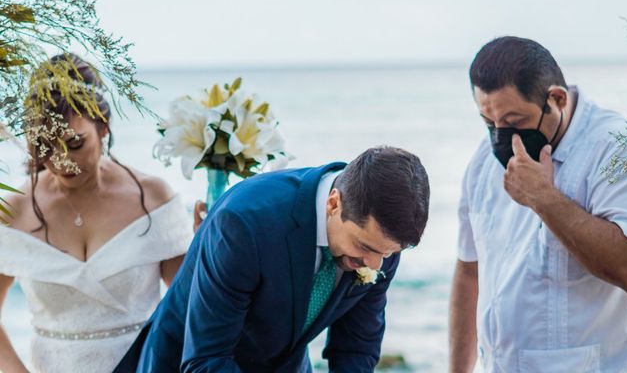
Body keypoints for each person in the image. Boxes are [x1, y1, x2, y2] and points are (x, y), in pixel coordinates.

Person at [115, 146, 430, 372]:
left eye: (388, 254)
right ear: (334, 203)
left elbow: (356, 349)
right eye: (366, 248)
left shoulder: (380, 242)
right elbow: (207, 359)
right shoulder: (244, 223)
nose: (376, 265)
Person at [449, 36, 627, 372]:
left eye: (514, 122)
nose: (500, 136)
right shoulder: (483, 159)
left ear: (557, 99)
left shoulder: (617, 149)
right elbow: (469, 270)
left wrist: (543, 197)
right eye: (488, 122)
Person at [0, 54, 193, 373]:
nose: (62, 161)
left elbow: (192, 308)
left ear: (103, 128)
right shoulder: (15, 211)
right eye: (47, 146)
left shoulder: (152, 198)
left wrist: (209, 246)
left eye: (75, 143)